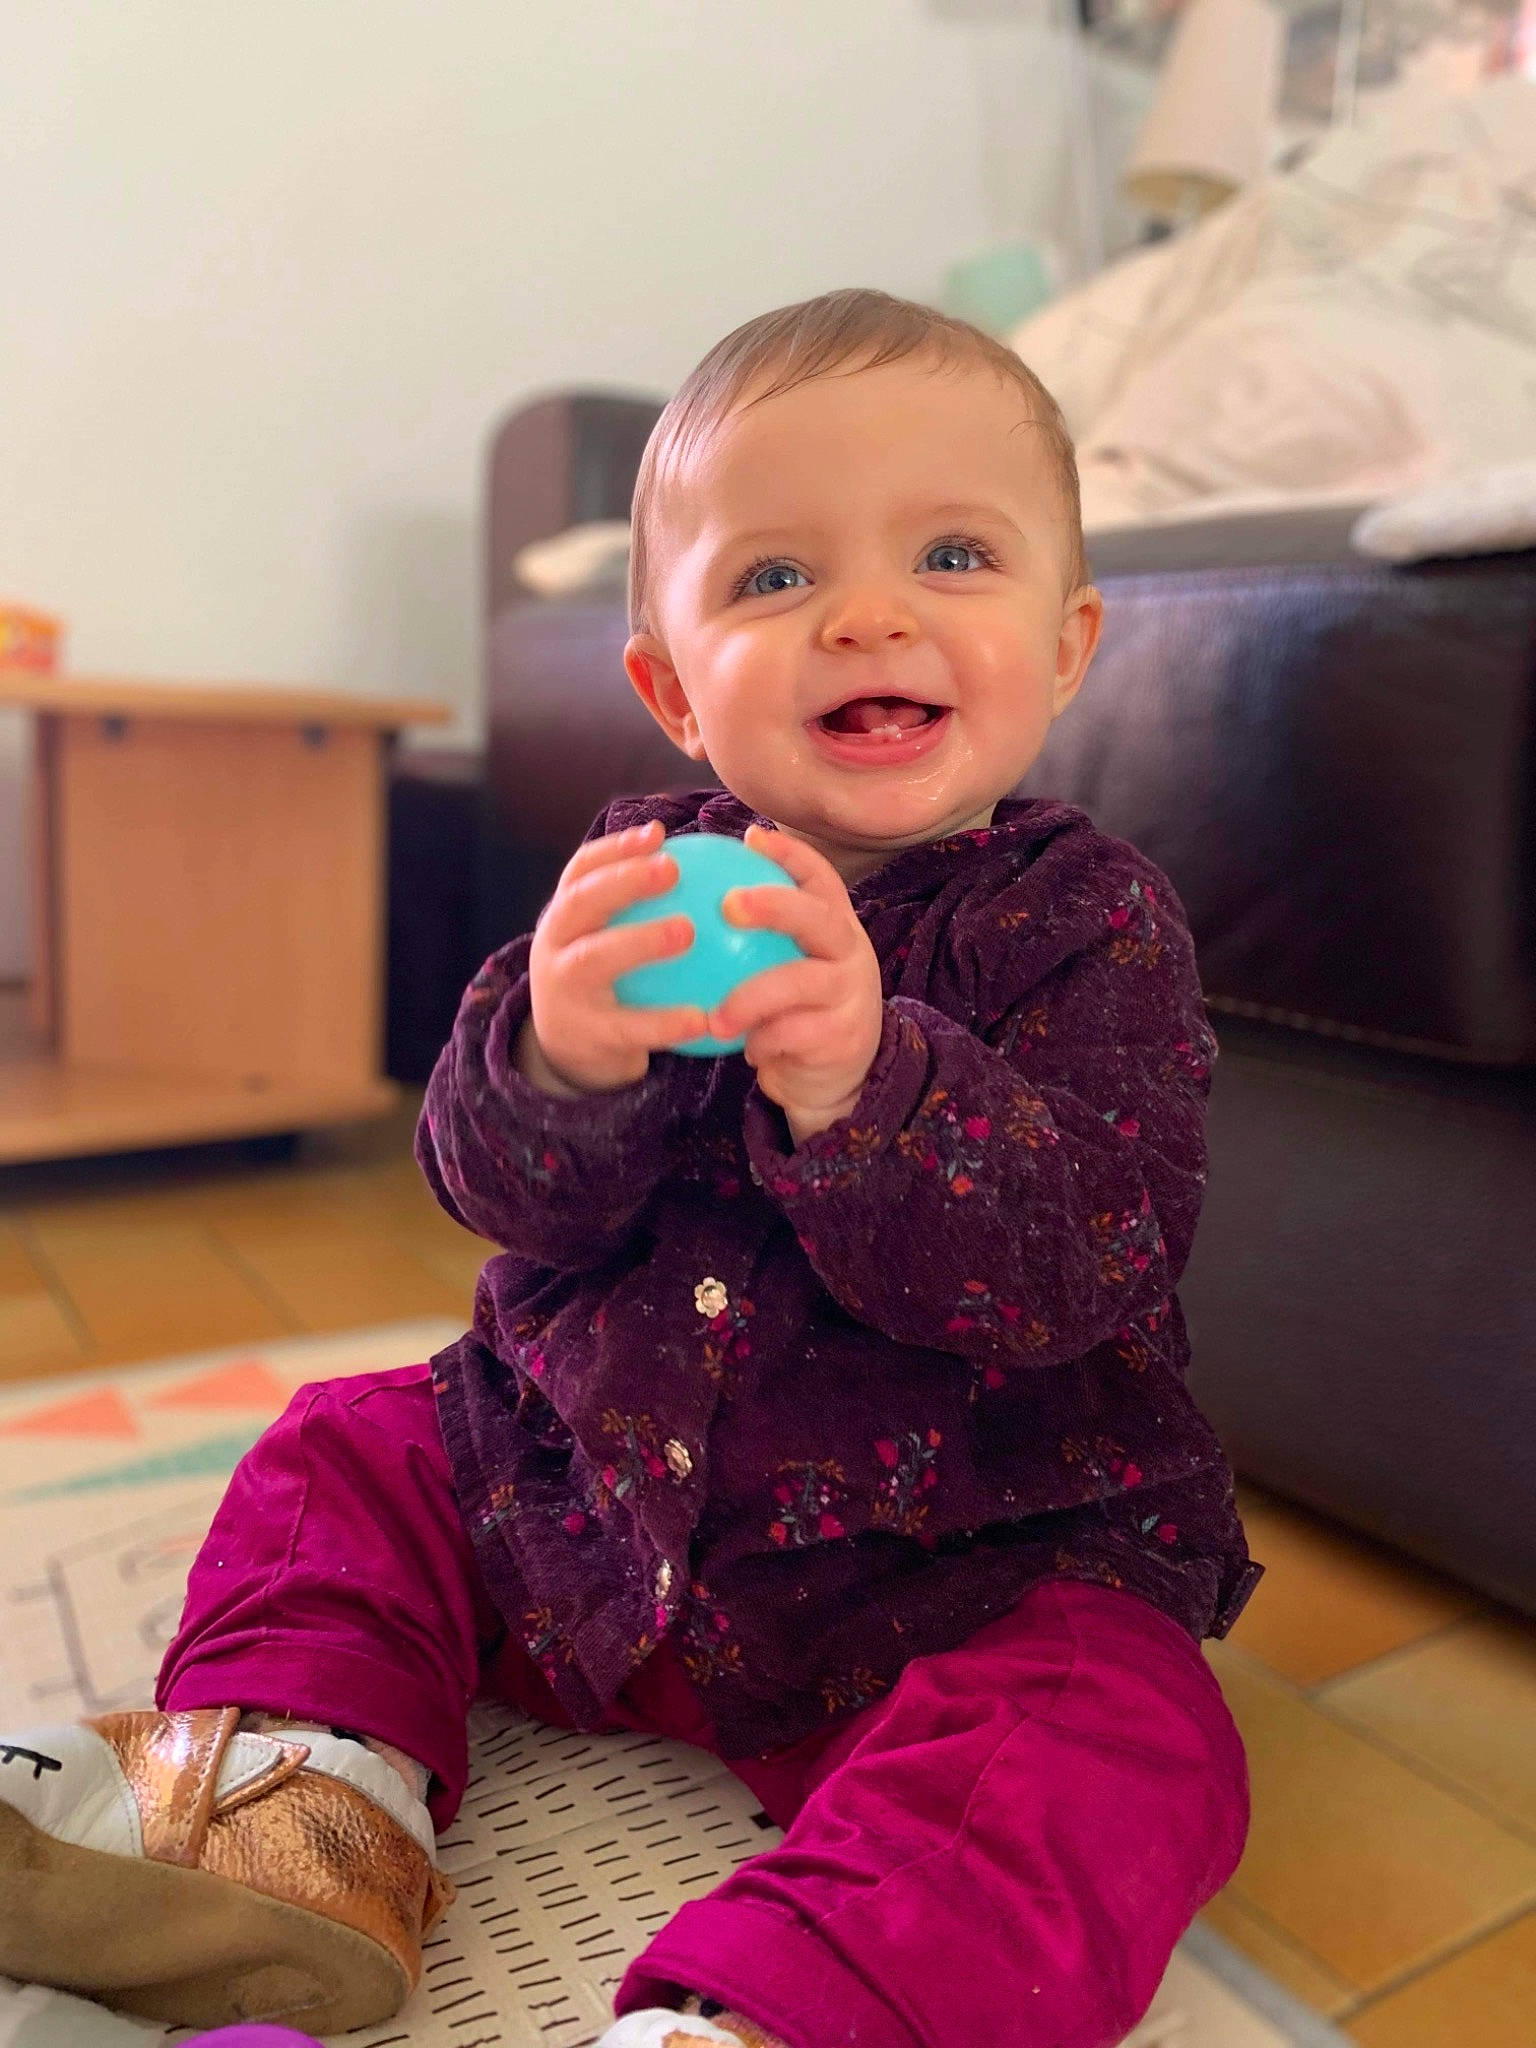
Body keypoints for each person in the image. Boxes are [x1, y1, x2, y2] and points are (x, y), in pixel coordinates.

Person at [0, 290, 1261, 2048]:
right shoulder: (628, 888)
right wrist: (554, 1059)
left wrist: (866, 1077)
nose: (870, 615)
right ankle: (293, 1821)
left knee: (1122, 1728)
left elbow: (1092, 1267)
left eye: (955, 555)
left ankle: (790, 2011)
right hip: (576, 1512)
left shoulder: (1086, 923)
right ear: (671, 686)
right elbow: (493, 1188)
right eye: (773, 579)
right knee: (348, 1448)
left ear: (1065, 648)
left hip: (944, 1571)